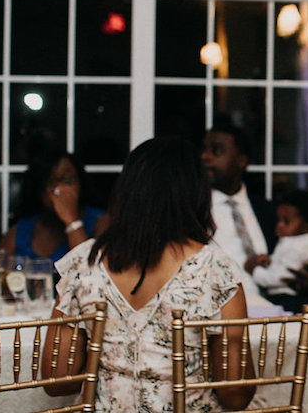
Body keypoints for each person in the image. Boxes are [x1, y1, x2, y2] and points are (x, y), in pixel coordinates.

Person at [42, 137, 255, 412]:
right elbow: (235, 396)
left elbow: (58, 380)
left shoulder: (84, 263)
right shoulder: (216, 270)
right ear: (197, 193)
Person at [201, 124, 308, 307]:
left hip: (276, 316)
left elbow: (295, 259)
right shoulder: (196, 211)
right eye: (204, 150)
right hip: (219, 316)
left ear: (241, 160)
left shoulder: (271, 212)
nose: (205, 157)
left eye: (216, 151)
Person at [0, 147, 108, 259]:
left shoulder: (100, 222)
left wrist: (72, 221)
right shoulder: (20, 232)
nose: (59, 189)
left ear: (81, 184)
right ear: (39, 188)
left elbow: (92, 272)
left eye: (67, 180)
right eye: (51, 182)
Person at [247, 189, 308, 313]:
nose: (280, 225)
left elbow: (280, 277)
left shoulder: (300, 248)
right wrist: (269, 260)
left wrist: (254, 271)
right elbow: (282, 261)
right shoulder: (292, 240)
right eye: (279, 220)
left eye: (286, 221)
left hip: (290, 301)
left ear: (306, 227)